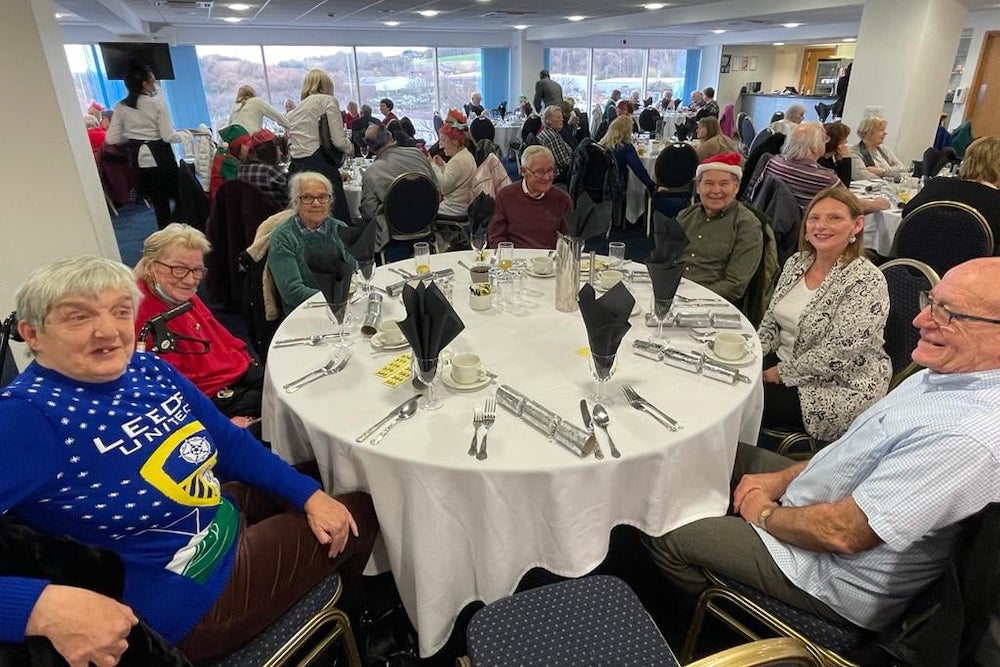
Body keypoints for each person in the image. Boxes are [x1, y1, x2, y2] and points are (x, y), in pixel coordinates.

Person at [0, 255, 378, 663]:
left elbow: (226, 445)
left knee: (329, 479)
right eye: (78, 318)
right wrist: (37, 607)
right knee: (364, 509)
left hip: (213, 515)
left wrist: (308, 495)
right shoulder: (26, 417)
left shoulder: (146, 369)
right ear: (32, 334)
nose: (107, 330)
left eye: (121, 311)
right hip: (186, 593)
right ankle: (361, 627)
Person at [645, 256, 1000, 637]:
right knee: (704, 448)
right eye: (931, 302)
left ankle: (719, 631)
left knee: (661, 530)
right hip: (814, 504)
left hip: (822, 575)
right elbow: (850, 454)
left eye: (949, 313)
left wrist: (763, 513)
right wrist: (780, 480)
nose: (920, 320)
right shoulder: (949, 375)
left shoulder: (966, 438)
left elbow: (844, 534)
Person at [757, 187, 891, 442]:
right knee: (723, 376)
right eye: (814, 218)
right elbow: (771, 320)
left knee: (743, 399)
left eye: (835, 218)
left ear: (857, 224)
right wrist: (753, 353)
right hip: (786, 361)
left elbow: (839, 352)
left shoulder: (866, 280)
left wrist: (779, 373)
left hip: (839, 385)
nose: (821, 226)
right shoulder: (797, 262)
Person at [135, 224, 264, 423]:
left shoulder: (177, 292)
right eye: (178, 269)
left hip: (234, 370)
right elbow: (164, 390)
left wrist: (246, 361)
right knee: (282, 402)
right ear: (151, 267)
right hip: (207, 395)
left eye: (197, 270)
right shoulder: (138, 314)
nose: (189, 280)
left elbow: (220, 335)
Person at [676, 152, 763, 303]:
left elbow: (735, 285)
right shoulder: (686, 215)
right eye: (709, 183)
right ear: (698, 187)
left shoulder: (747, 225)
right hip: (674, 292)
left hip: (711, 303)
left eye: (724, 184)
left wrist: (691, 296)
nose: (716, 190)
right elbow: (666, 258)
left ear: (736, 187)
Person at [267, 171, 356, 315]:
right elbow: (292, 293)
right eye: (307, 197)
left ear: (330, 201)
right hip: (304, 312)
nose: (316, 203)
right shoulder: (283, 237)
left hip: (345, 307)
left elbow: (354, 271)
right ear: (296, 202)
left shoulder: (339, 228)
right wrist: (336, 297)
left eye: (322, 197)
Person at [105, 61, 180, 230]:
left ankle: (165, 236)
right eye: (152, 81)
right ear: (145, 84)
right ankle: (179, 232)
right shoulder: (157, 104)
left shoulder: (120, 107)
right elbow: (168, 136)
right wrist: (186, 135)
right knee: (178, 197)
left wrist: (132, 137)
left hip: (138, 161)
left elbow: (111, 138)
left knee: (159, 204)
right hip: (160, 157)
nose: (154, 84)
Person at [763, 122, 890, 214]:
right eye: (824, 140)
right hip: (806, 229)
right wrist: (877, 204)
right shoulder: (823, 177)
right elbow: (853, 205)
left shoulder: (774, 162)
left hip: (777, 222)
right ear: (815, 147)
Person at [902, 135, 1000, 249]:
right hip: (971, 265)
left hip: (917, 259)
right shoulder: (996, 202)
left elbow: (907, 214)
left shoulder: (936, 185)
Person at [285, 69, 354, 224]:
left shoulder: (295, 111)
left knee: (308, 222)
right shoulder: (327, 100)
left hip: (296, 170)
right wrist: (351, 148)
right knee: (335, 224)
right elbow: (338, 140)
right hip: (321, 169)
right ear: (327, 85)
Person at [361, 123, 437, 250]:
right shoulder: (417, 154)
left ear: (370, 148)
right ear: (390, 136)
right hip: (426, 224)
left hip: (392, 233)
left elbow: (369, 211)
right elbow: (436, 188)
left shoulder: (372, 172)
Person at [489, 145, 572, 249]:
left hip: (549, 260)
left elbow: (569, 239)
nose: (547, 177)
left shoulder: (562, 199)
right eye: (540, 172)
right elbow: (497, 238)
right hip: (516, 260)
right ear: (524, 171)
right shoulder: (505, 197)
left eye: (550, 170)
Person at [431, 109, 477, 217]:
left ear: (455, 142)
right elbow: (455, 176)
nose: (440, 146)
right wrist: (442, 166)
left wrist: (434, 166)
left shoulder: (458, 161)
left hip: (454, 209)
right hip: (463, 206)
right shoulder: (464, 155)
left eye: (443, 141)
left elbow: (442, 187)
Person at [599, 115, 654, 195]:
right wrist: (652, 186)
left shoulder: (601, 145)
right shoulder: (625, 148)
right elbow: (639, 170)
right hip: (615, 184)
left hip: (598, 182)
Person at [237, 128, 289, 210]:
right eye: (278, 148)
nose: (281, 153)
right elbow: (292, 198)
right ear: (269, 150)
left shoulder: (241, 170)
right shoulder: (271, 172)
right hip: (276, 219)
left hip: (249, 218)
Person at [848, 115, 905, 181]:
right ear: (868, 132)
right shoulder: (854, 153)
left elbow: (903, 169)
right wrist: (891, 175)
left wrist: (882, 171)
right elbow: (862, 177)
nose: (885, 133)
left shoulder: (884, 149)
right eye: (881, 130)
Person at [537, 105, 574, 183]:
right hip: (559, 176)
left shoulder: (550, 132)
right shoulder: (551, 136)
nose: (562, 119)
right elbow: (564, 163)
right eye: (558, 117)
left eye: (561, 117)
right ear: (548, 120)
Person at [816, 121, 853, 186]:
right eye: (844, 139)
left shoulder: (828, 158)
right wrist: (846, 158)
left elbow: (839, 178)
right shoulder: (821, 162)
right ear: (835, 141)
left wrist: (839, 162)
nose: (846, 142)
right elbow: (843, 185)